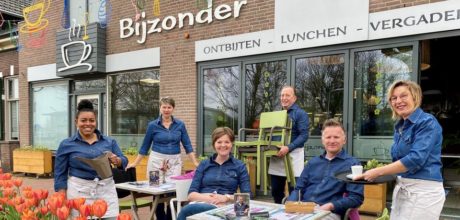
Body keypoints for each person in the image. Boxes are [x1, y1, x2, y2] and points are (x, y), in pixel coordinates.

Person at [354, 80, 445, 220]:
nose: (398, 101)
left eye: (403, 96)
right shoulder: (400, 126)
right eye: (394, 98)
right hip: (403, 188)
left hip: (424, 192)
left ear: (415, 97)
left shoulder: (427, 122)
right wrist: (378, 175)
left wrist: (377, 171)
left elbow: (416, 159)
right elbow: (398, 162)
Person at [126, 97, 199, 220]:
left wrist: (195, 163)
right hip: (156, 161)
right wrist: (135, 163)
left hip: (174, 162)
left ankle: (171, 217)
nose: (166, 110)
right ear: (160, 108)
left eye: (169, 107)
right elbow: (145, 146)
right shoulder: (152, 125)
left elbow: (187, 145)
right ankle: (160, 217)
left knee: (173, 191)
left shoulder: (180, 125)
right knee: (156, 190)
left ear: (173, 109)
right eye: (164, 107)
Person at [54, 99, 128, 219]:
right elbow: (60, 174)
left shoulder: (109, 141)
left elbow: (124, 160)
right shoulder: (66, 145)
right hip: (79, 194)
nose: (88, 124)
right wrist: (61, 197)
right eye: (83, 120)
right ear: (76, 122)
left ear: (96, 122)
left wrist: (117, 160)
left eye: (92, 120)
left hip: (106, 192)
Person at [287, 119, 363, 220]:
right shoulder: (312, 163)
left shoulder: (353, 164)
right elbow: (298, 189)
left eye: (336, 137)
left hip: (328, 213)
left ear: (344, 140)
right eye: (328, 137)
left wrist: (330, 206)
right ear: (323, 140)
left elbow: (356, 198)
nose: (332, 141)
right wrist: (290, 205)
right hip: (303, 209)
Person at [177, 127, 251, 220]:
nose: (223, 145)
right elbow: (191, 195)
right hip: (201, 203)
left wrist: (226, 198)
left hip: (225, 207)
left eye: (227, 142)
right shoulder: (204, 164)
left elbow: (247, 196)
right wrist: (212, 199)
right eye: (219, 142)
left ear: (232, 144)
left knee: (187, 210)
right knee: (188, 210)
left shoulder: (239, 166)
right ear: (214, 144)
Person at [269, 86, 309, 204]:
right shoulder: (276, 115)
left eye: (287, 95)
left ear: (294, 98)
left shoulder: (301, 114)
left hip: (294, 157)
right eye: (282, 95)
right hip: (277, 156)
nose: (284, 98)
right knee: (275, 190)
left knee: (294, 192)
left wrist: (288, 147)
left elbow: (304, 136)